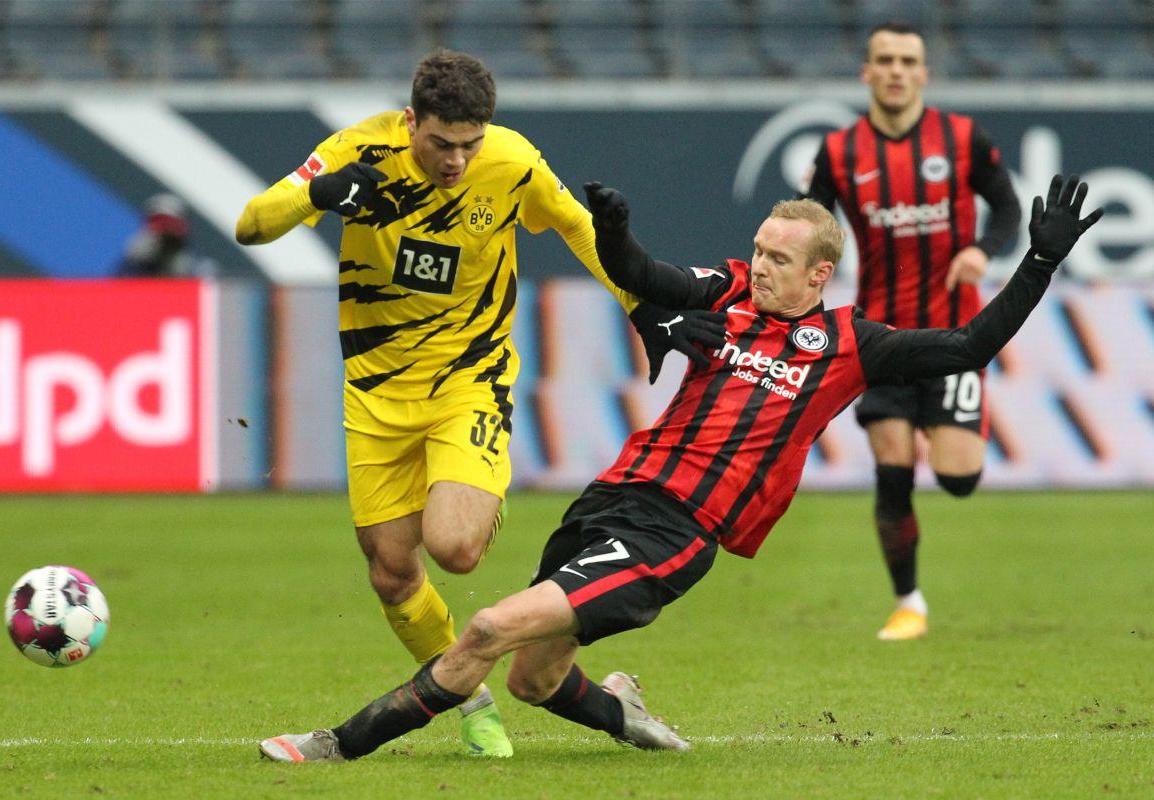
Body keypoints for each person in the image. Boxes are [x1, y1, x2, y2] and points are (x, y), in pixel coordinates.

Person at [256, 174, 1100, 762]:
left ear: (819, 274)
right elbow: (644, 276)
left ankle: (337, 744)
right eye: (758, 250)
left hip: (676, 531)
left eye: (777, 258)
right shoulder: (725, 291)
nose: (759, 265)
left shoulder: (851, 344)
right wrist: (616, 231)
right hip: (609, 501)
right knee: (533, 678)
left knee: (487, 629)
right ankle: (621, 710)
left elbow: (969, 345)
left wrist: (1040, 262)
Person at [234, 50, 719, 758]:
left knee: (455, 548)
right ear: (411, 123)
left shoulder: (513, 162)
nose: (457, 160)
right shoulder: (357, 153)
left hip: (471, 377)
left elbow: (582, 228)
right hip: (374, 394)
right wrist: (318, 194)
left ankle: (479, 494)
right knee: (391, 570)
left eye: (470, 144)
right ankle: (472, 701)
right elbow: (251, 224)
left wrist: (641, 306)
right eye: (441, 143)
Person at [799, 22, 1022, 640]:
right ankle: (909, 604)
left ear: (924, 72)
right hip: (882, 337)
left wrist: (983, 250)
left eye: (908, 60)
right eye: (885, 60)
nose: (897, 70)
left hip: (958, 336)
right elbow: (807, 225)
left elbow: (1007, 206)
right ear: (866, 73)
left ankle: (945, 428)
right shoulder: (840, 153)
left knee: (957, 478)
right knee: (892, 465)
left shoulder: (962, 138)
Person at [117, 194, 212, 277]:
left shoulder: (200, 270)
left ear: (184, 227)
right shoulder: (130, 266)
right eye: (158, 222)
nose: (164, 229)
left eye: (169, 223)